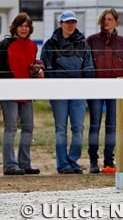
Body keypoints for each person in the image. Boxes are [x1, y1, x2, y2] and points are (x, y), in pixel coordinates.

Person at [40, 10, 95, 174]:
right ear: (61, 24)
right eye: (67, 22)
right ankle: (63, 164)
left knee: (78, 128)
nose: (70, 25)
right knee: (61, 129)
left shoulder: (83, 44)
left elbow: (88, 68)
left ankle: (73, 160)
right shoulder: (50, 44)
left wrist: (87, 88)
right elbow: (47, 67)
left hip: (78, 92)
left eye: (73, 22)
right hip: (59, 93)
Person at [85, 9, 123, 174]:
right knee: (95, 125)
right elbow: (87, 61)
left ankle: (109, 160)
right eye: (104, 19)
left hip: (115, 88)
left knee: (112, 126)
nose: (107, 22)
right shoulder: (91, 41)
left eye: (110, 19)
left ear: (116, 22)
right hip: (97, 87)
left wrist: (122, 76)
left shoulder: (122, 42)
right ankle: (92, 160)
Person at [0, 13, 43, 175]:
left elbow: (31, 64)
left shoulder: (32, 46)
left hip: (27, 92)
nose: (24, 29)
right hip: (9, 92)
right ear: (15, 27)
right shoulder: (5, 45)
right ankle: (10, 165)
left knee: (28, 128)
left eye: (27, 26)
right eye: (21, 26)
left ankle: (25, 163)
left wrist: (36, 70)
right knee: (10, 128)